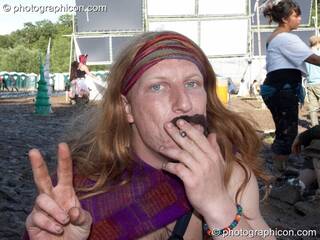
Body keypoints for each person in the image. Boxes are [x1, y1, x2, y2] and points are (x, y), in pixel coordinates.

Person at [24, 31, 274, 240]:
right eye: (158, 87)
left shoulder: (229, 172)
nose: (184, 104)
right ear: (127, 108)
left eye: (192, 84)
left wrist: (219, 207)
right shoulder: (80, 186)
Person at [261, 0, 320, 176]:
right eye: (296, 15)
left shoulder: (275, 36)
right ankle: (280, 172)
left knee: (283, 129)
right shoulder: (286, 38)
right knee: (287, 130)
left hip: (277, 87)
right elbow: (314, 59)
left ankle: (280, 167)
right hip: (282, 88)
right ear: (286, 19)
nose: (299, 19)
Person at [306, 36, 320, 126]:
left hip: (309, 83)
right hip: (319, 82)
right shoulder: (318, 53)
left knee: (313, 108)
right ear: (318, 43)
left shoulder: (306, 54)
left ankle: (315, 127)